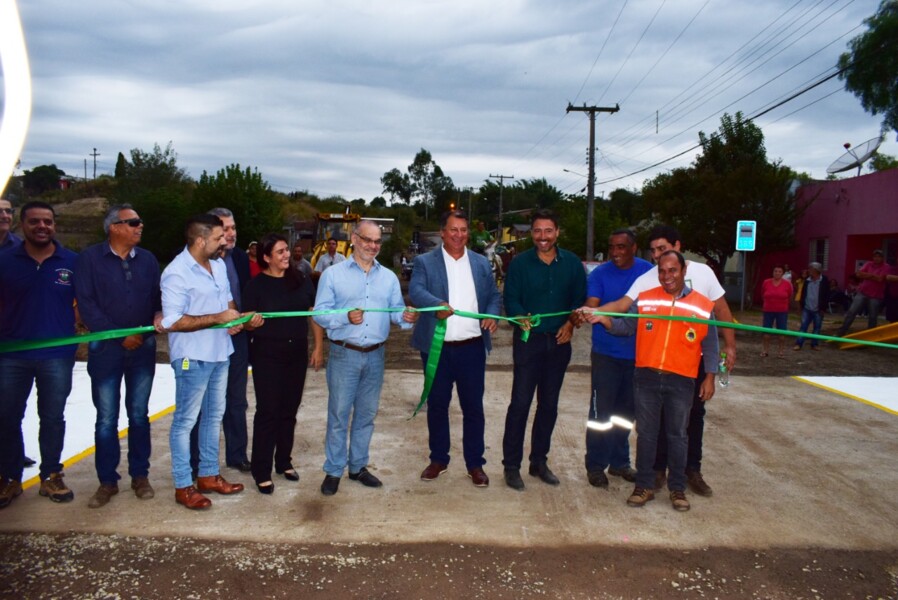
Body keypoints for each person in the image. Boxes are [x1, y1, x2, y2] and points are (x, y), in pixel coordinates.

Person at [585, 225, 737, 497]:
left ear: (678, 248)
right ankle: (653, 475)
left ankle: (690, 473)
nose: (658, 258)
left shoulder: (703, 277)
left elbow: (719, 316)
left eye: (663, 250)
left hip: (690, 363)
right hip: (652, 365)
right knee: (651, 426)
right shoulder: (650, 280)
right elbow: (624, 308)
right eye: (654, 252)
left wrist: (727, 350)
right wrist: (596, 312)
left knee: (689, 421)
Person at [159, 214, 261, 510]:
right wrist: (219, 318)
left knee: (214, 416)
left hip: (221, 353)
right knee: (185, 422)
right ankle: (183, 485)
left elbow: (227, 305)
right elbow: (173, 320)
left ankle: (208, 475)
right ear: (201, 240)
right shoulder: (177, 273)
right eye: (218, 237)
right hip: (193, 357)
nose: (224, 241)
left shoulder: (217, 266)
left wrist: (240, 320)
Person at [313, 221, 418, 496]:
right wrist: (344, 316)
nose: (373, 246)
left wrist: (406, 317)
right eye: (367, 240)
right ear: (354, 239)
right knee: (338, 415)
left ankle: (357, 466)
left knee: (366, 415)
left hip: (376, 356)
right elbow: (318, 314)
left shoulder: (389, 278)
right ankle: (333, 470)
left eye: (377, 242)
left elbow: (396, 313)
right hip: (343, 354)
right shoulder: (333, 275)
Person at [74, 204, 162, 508]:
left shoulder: (148, 260)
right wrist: (119, 335)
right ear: (114, 227)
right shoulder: (89, 259)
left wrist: (148, 328)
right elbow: (86, 303)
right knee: (106, 418)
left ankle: (140, 475)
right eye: (133, 222)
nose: (140, 226)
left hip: (142, 348)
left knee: (139, 415)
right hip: (106, 350)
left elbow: (157, 299)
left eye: (140, 222)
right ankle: (107, 481)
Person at [408, 210, 501, 488]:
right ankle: (438, 459)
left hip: (472, 348)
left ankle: (475, 464)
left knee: (473, 407)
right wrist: (436, 304)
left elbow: (494, 296)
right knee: (437, 405)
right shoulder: (425, 261)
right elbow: (416, 291)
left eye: (463, 230)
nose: (458, 235)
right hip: (437, 349)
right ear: (443, 233)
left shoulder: (481, 263)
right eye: (453, 230)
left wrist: (492, 314)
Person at [501, 208, 587, 490]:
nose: (542, 237)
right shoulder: (520, 264)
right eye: (537, 231)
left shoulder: (572, 263)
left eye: (548, 231)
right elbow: (510, 298)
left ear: (557, 232)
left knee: (549, 406)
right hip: (528, 343)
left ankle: (539, 461)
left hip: (559, 344)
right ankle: (511, 466)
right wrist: (519, 315)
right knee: (520, 404)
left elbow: (579, 301)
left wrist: (570, 324)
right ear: (531, 233)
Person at [0, 201, 78, 508]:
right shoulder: (5, 261)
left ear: (54, 225)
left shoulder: (71, 261)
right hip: (11, 355)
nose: (42, 226)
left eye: (47, 221)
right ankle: (9, 478)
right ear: (22, 225)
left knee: (53, 417)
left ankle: (51, 476)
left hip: (57, 355)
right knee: (7, 417)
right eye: (35, 222)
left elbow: (83, 303)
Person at [242, 234, 324, 494]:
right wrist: (248, 322)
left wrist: (318, 347)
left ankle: (284, 461)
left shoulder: (300, 281)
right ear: (266, 258)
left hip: (296, 353)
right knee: (268, 411)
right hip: (267, 354)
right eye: (279, 252)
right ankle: (261, 469)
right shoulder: (255, 286)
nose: (286, 255)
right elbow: (244, 320)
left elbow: (313, 315)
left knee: (289, 410)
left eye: (286, 250)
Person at [580, 229, 652, 489]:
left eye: (622, 247)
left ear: (634, 247)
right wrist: (587, 311)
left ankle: (620, 462)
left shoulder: (648, 272)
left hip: (638, 356)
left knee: (626, 414)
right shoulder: (600, 273)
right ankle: (596, 465)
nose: (616, 252)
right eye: (612, 247)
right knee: (600, 413)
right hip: (606, 355)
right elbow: (592, 301)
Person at [189, 208, 253, 474]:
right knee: (202, 403)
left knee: (236, 400)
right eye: (225, 229)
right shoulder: (194, 261)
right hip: (206, 340)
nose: (231, 233)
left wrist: (241, 321)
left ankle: (237, 455)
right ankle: (195, 462)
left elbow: (244, 294)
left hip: (236, 340)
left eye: (233, 227)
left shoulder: (239, 258)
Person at [836, 250, 891, 337]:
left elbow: (880, 279)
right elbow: (858, 274)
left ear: (882, 258)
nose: (876, 258)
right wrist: (872, 276)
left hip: (876, 295)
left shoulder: (886, 267)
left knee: (872, 316)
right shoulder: (869, 264)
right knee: (852, 312)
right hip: (863, 292)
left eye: (879, 256)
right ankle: (841, 332)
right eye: (875, 256)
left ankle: (870, 336)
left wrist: (866, 275)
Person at [793, 262, 829, 351]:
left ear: (816, 270)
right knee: (803, 326)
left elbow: (826, 295)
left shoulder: (824, 281)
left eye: (811, 269)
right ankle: (799, 344)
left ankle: (814, 344)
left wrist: (823, 308)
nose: (809, 271)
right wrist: (801, 306)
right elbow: (803, 294)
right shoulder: (807, 281)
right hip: (807, 308)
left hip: (818, 309)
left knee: (817, 328)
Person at [760, 265, 793, 358]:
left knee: (782, 333)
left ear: (782, 273)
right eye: (775, 271)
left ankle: (781, 351)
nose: (777, 273)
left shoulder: (787, 284)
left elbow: (789, 295)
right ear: (773, 272)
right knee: (766, 332)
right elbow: (763, 294)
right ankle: (765, 350)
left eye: (779, 271)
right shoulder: (766, 282)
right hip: (768, 310)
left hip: (782, 311)